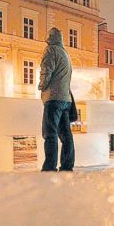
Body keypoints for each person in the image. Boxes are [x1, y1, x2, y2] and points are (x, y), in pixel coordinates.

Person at [38, 27, 75, 172]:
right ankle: (67, 165)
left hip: (53, 98)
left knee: (50, 133)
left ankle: (49, 167)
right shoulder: (66, 54)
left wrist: (42, 86)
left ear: (50, 37)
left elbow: (46, 70)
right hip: (65, 99)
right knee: (66, 135)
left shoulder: (50, 50)